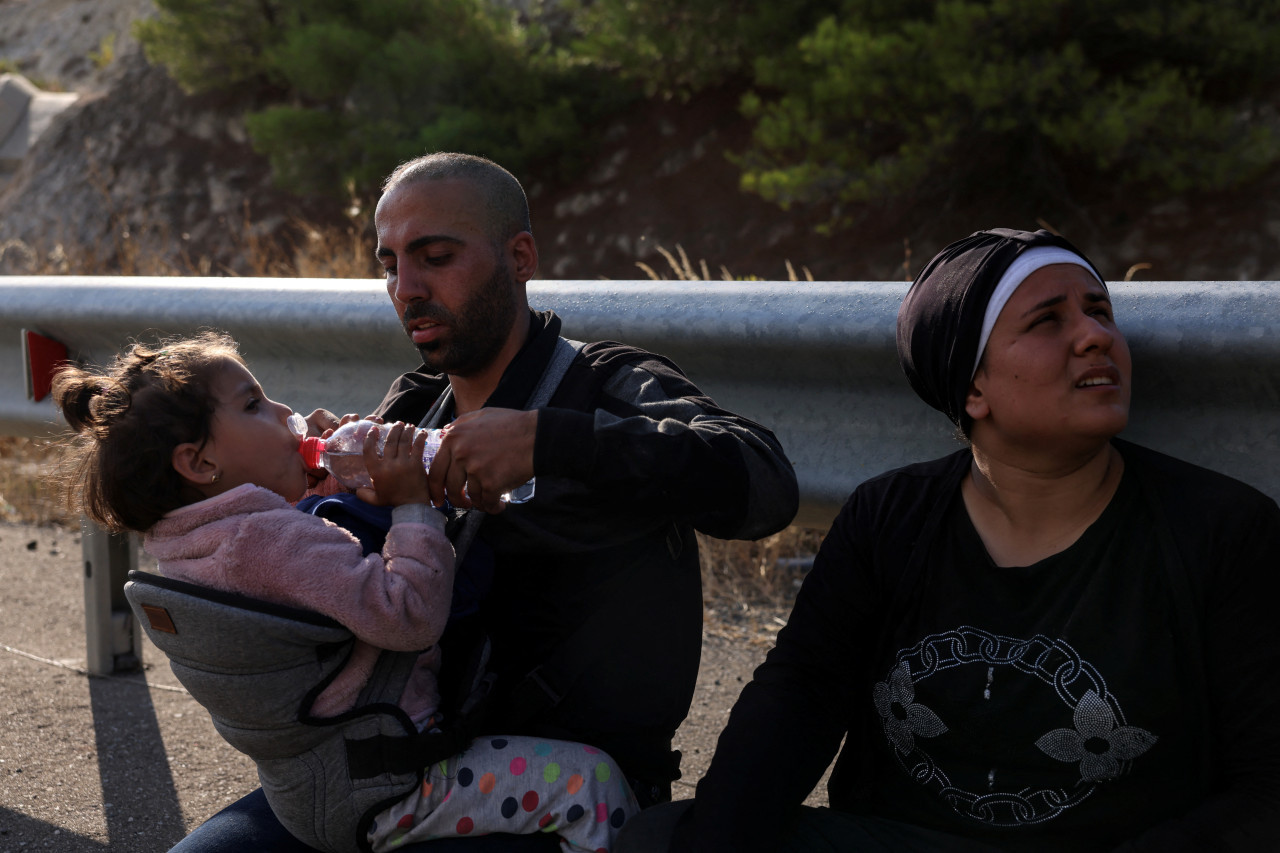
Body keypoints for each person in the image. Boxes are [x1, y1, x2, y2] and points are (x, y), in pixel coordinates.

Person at [166, 152, 801, 852]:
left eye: (435, 256)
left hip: (566, 792)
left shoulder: (601, 383)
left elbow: (764, 481)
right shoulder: (412, 404)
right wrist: (322, 488)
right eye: (389, 264)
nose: (406, 287)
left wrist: (550, 442)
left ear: (520, 256)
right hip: (401, 766)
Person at [618, 228, 1280, 852]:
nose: (1095, 337)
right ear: (973, 388)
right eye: (1049, 320)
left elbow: (1266, 790)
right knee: (663, 837)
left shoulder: (1219, 531)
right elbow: (799, 700)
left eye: (1100, 311)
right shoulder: (889, 518)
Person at [53, 332, 639, 853]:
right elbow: (407, 615)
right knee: (591, 783)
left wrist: (339, 478)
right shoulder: (268, 541)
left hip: (305, 786)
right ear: (200, 462)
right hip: (393, 783)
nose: (285, 411)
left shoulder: (186, 542)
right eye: (254, 404)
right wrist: (411, 501)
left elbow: (287, 554)